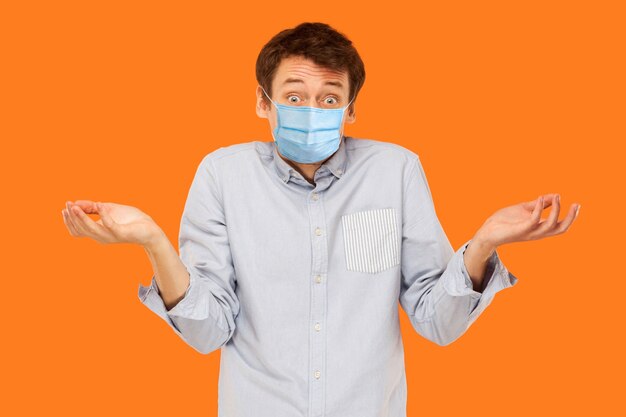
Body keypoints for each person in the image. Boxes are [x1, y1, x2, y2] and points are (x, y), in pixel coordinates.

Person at [61, 21, 580, 417]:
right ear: (262, 103)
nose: (312, 108)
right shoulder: (222, 175)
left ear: (351, 108)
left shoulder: (395, 170)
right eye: (294, 96)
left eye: (329, 98)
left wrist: (483, 244)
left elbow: (435, 321)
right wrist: (153, 241)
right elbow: (207, 330)